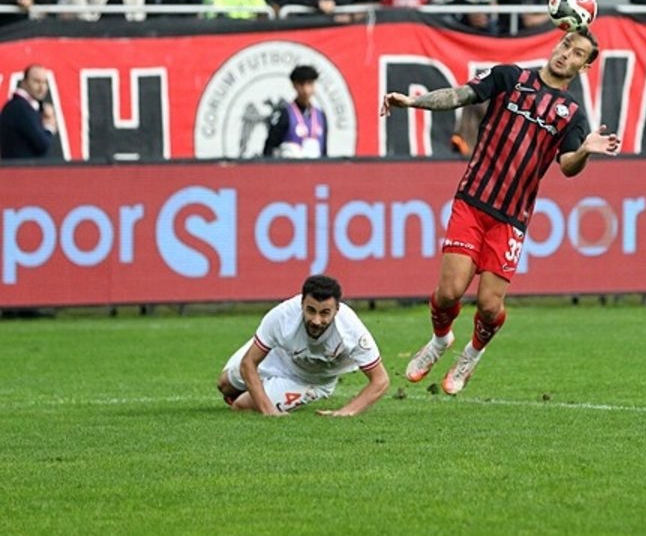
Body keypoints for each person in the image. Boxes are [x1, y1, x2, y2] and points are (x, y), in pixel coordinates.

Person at [379, 30, 621, 395]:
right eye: (565, 45)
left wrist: (585, 150)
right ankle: (439, 341)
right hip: (473, 201)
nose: (565, 54)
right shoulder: (510, 77)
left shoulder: (571, 115)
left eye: (576, 54)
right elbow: (459, 96)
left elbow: (567, 166)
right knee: (449, 292)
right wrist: (413, 103)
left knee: (490, 306)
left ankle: (471, 355)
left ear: (584, 67)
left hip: (511, 218)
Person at [216, 275, 389, 416]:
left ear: (337, 310)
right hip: (280, 354)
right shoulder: (282, 316)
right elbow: (249, 363)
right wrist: (269, 411)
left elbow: (380, 380)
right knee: (224, 384)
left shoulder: (351, 330)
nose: (316, 320)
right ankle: (264, 389)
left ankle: (264, 393)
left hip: (311, 380)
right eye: (311, 310)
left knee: (242, 406)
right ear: (302, 305)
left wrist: (347, 411)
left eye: (325, 313)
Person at [263, 64, 327, 158]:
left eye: (310, 83)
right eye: (301, 84)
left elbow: (324, 152)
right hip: (290, 170)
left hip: (315, 170)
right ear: (294, 85)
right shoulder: (284, 114)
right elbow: (268, 150)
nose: (306, 90)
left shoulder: (321, 116)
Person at [0, 64, 56, 160]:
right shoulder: (20, 108)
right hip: (19, 172)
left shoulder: (21, 107)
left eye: (45, 82)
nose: (42, 87)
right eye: (36, 81)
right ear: (24, 83)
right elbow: (42, 144)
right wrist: (49, 127)